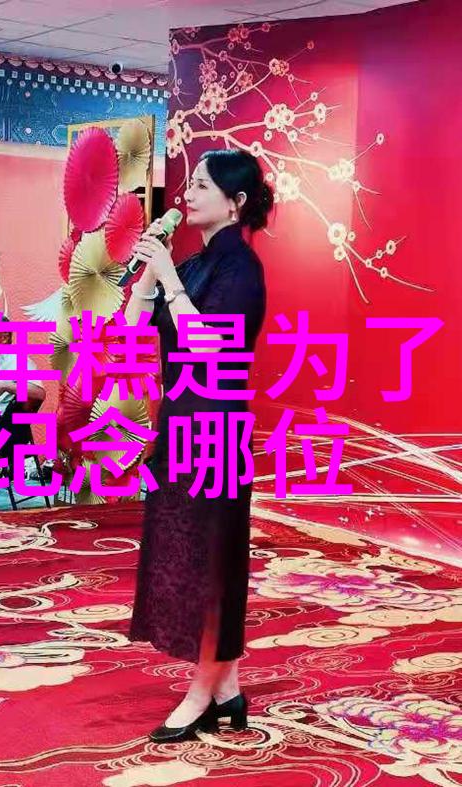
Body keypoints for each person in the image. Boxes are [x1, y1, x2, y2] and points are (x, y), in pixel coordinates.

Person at [125, 149, 274, 741]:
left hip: (216, 428)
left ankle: (201, 696)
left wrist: (168, 277)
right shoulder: (189, 263)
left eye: (203, 186)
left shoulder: (242, 269)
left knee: (212, 563)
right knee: (183, 554)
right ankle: (228, 687)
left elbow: (210, 347)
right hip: (179, 425)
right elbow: (133, 326)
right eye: (190, 184)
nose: (188, 194)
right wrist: (150, 268)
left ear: (236, 203)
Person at [0, 315, 45, 511]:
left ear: (4, 337)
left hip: (9, 427)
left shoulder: (18, 360)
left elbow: (39, 393)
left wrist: (6, 385)